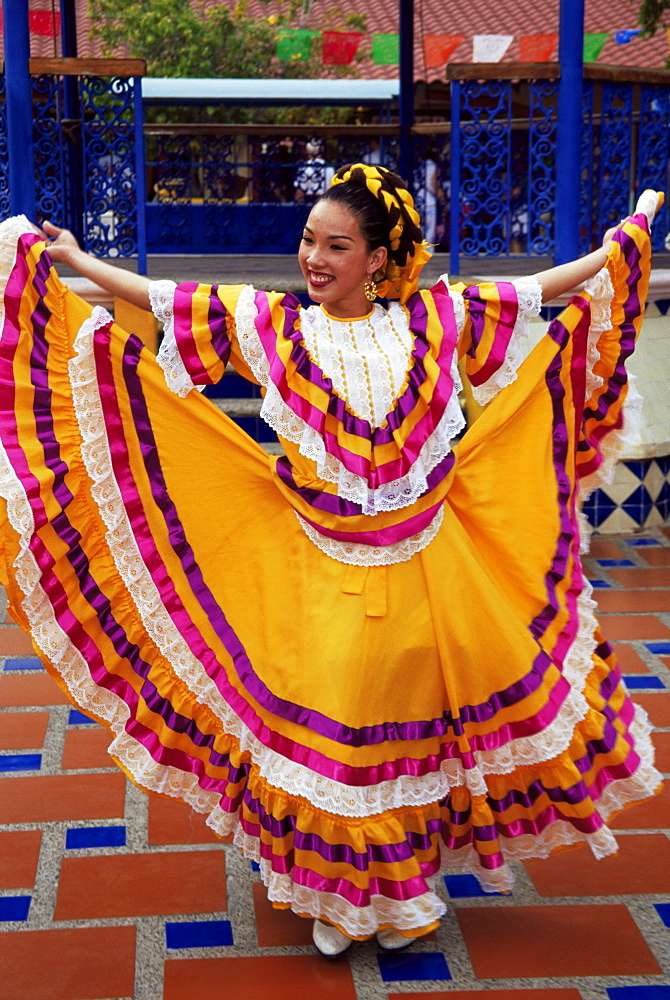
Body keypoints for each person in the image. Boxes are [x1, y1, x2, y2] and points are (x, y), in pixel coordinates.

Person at [0, 165, 663, 958]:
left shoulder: (437, 320)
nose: (315, 257)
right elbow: (160, 296)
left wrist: (617, 249)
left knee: (409, 731)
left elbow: (536, 289)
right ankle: (342, 899)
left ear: (379, 260)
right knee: (337, 736)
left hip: (428, 566)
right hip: (316, 566)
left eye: (337, 245)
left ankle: (400, 889)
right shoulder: (272, 326)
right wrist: (74, 265)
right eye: (310, 240)